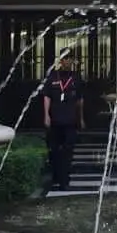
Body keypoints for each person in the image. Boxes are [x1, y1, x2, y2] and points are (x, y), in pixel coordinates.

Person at [42, 49, 85, 194]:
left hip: (70, 120)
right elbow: (47, 96)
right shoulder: (53, 76)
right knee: (54, 151)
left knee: (68, 151)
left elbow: (80, 100)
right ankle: (56, 176)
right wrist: (46, 116)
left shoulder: (76, 77)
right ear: (60, 60)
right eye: (65, 58)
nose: (67, 61)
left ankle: (64, 181)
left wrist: (81, 118)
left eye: (70, 58)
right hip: (55, 119)